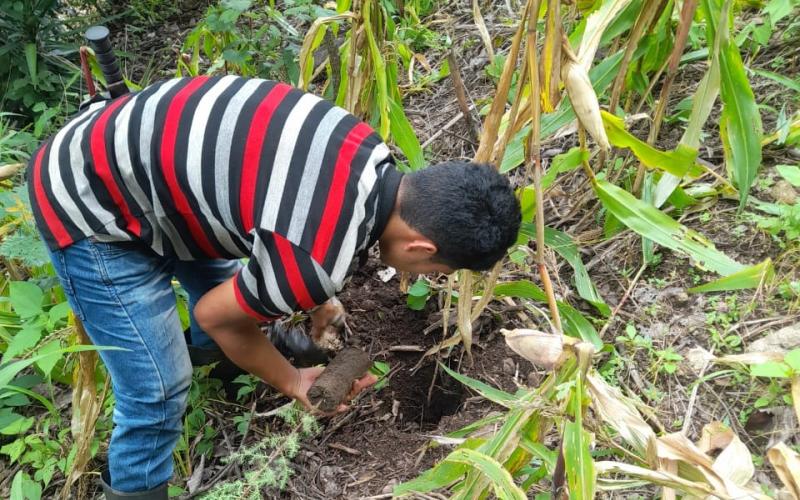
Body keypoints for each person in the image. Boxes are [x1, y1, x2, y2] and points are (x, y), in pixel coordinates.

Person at [28, 75, 521, 499]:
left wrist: (315, 294)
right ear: (420, 248)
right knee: (156, 389)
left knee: (234, 294)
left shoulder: (366, 149)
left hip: (136, 160)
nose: (432, 278)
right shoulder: (314, 260)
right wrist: (292, 382)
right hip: (85, 199)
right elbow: (216, 315)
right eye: (442, 271)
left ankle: (221, 367)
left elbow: (288, 211)